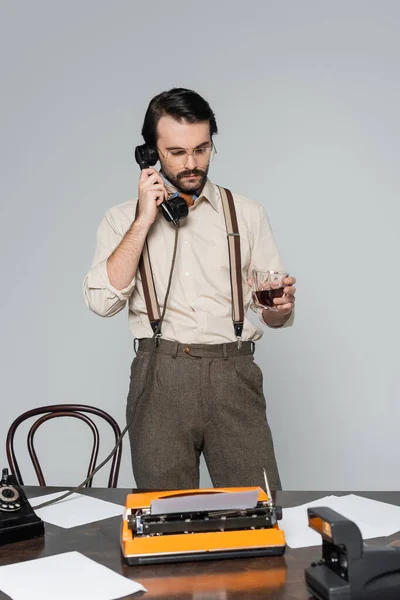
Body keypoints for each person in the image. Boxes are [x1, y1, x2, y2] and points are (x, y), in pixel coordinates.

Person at [83, 88, 296, 491]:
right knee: (165, 516)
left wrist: (279, 308)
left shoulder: (246, 213)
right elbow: (100, 302)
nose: (192, 163)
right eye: (177, 152)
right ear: (150, 153)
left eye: (202, 148)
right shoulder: (120, 221)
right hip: (160, 376)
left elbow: (272, 310)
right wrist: (144, 220)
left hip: (234, 373)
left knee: (259, 510)